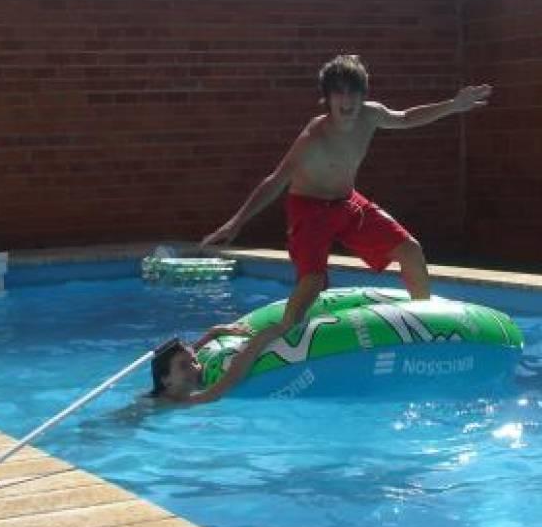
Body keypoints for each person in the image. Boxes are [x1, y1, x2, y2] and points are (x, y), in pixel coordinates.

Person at [194, 53, 492, 401]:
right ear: (328, 98)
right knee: (308, 292)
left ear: (363, 95)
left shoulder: (371, 115)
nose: (347, 101)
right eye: (339, 93)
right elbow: (276, 180)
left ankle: (424, 327)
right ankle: (231, 369)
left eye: (353, 92)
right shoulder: (314, 136)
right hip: (309, 210)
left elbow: (406, 118)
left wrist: (454, 106)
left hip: (348, 203)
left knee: (411, 251)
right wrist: (237, 221)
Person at [149, 321, 254, 403]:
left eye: (194, 361)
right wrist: (260, 339)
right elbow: (228, 382)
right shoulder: (177, 401)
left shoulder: (173, 384)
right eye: (183, 366)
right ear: (165, 380)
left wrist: (214, 332)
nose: (194, 368)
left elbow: (191, 352)